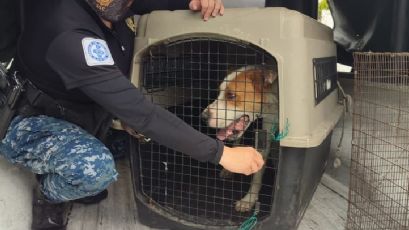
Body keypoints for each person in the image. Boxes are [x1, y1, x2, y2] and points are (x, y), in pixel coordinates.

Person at [0, 0, 265, 229]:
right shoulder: (66, 31)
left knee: (127, 145)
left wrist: (193, 1)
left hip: (84, 110)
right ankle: (49, 195)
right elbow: (143, 115)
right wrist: (222, 154)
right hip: (31, 120)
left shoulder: (116, 5)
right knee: (95, 170)